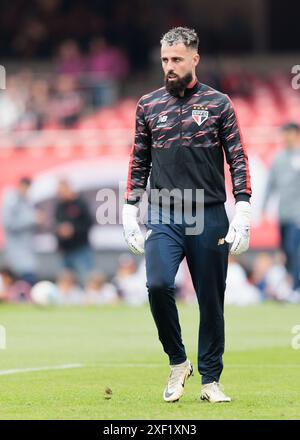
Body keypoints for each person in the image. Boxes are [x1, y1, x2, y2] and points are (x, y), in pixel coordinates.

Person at [122, 27, 252, 403]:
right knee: (158, 285)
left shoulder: (218, 104)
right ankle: (178, 362)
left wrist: (242, 205)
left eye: (176, 59)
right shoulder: (148, 105)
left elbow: (237, 156)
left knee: (211, 298)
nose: (170, 66)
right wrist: (130, 209)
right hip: (164, 212)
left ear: (195, 59)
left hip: (209, 212)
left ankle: (210, 380)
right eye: (165, 60)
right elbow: (139, 159)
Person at [262, 122, 300, 291]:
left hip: (297, 214)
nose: (287, 137)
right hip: (283, 213)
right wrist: (264, 207)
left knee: (293, 249)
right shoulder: (278, 158)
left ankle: (295, 286)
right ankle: (291, 284)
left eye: (289, 133)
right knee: (285, 250)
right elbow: (271, 185)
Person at [2, 176, 45, 285]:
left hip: (28, 248)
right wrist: (32, 219)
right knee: (23, 278)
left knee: (29, 277)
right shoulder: (11, 200)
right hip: (16, 249)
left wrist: (38, 221)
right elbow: (8, 223)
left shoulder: (27, 201)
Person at [54, 179, 95, 285]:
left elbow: (89, 223)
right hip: (65, 250)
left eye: (62, 190)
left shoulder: (80, 203)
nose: (60, 193)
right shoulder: (60, 205)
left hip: (80, 249)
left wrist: (73, 230)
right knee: (66, 282)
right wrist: (60, 231)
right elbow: (55, 224)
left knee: (86, 279)